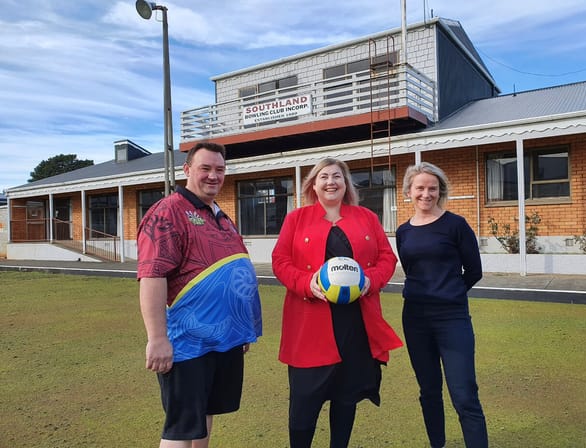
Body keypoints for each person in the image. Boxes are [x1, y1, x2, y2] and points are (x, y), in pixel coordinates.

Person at [137, 142, 262, 448]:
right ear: (187, 170)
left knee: (205, 415)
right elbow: (152, 276)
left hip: (224, 340)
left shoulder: (220, 216)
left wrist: (239, 328)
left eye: (219, 169)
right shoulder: (168, 212)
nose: (213, 176)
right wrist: (157, 338)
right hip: (187, 342)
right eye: (205, 168)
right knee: (181, 427)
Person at [272, 158, 403, 448]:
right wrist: (307, 284)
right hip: (309, 327)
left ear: (346, 184)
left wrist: (370, 280)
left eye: (337, 177)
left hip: (355, 326)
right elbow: (280, 262)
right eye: (324, 177)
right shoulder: (296, 218)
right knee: (303, 409)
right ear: (313, 185)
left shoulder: (366, 217)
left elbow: (387, 258)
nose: (331, 182)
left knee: (346, 400)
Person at [395, 162, 488, 448]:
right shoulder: (403, 231)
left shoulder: (456, 225)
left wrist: (448, 293)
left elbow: (474, 271)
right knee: (429, 391)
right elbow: (411, 269)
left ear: (440, 191)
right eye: (420, 188)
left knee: (464, 393)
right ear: (409, 192)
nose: (426, 193)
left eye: (432, 188)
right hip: (415, 318)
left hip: (452, 319)